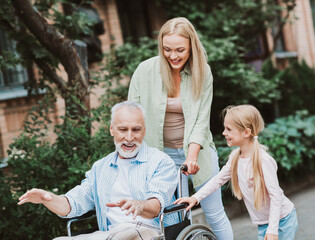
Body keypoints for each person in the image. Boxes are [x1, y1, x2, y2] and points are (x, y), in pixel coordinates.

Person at [128, 17, 233, 239]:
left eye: (180, 50)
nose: (173, 56)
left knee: (213, 212)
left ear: (191, 47)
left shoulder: (202, 72)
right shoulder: (145, 71)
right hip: (160, 157)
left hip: (198, 154)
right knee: (170, 216)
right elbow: (132, 116)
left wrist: (191, 156)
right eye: (167, 49)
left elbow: (201, 121)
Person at [18, 101, 178, 240]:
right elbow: (73, 204)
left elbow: (156, 205)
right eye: (123, 129)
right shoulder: (100, 168)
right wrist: (48, 199)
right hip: (112, 233)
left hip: (150, 232)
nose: (129, 137)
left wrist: (140, 205)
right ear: (112, 130)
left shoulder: (161, 162)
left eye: (136, 130)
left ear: (144, 131)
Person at [175, 105, 298, 240]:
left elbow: (276, 197)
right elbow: (218, 180)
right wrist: (195, 198)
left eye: (228, 129)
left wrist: (273, 230)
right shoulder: (235, 158)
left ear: (246, 132)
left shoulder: (263, 160)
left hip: (282, 221)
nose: (224, 133)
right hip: (264, 223)